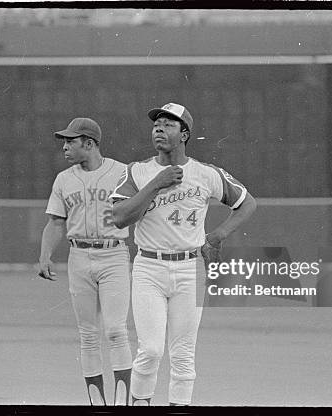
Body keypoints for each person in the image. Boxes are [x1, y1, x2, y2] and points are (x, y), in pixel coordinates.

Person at [110, 103, 257, 405]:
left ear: (185, 134)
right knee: (150, 350)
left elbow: (247, 203)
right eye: (156, 125)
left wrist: (217, 235)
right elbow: (120, 217)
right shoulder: (138, 172)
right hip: (149, 268)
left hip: (190, 270)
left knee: (183, 357)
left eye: (168, 124)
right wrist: (156, 183)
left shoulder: (205, 174)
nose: (159, 129)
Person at [38, 117, 133, 406]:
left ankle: (122, 402)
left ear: (89, 143)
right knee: (88, 334)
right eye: (64, 141)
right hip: (78, 255)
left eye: (70, 141)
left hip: (114, 253)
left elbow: (140, 209)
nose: (64, 147)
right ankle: (97, 403)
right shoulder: (64, 179)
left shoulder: (121, 172)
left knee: (116, 330)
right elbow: (55, 222)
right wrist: (45, 255)